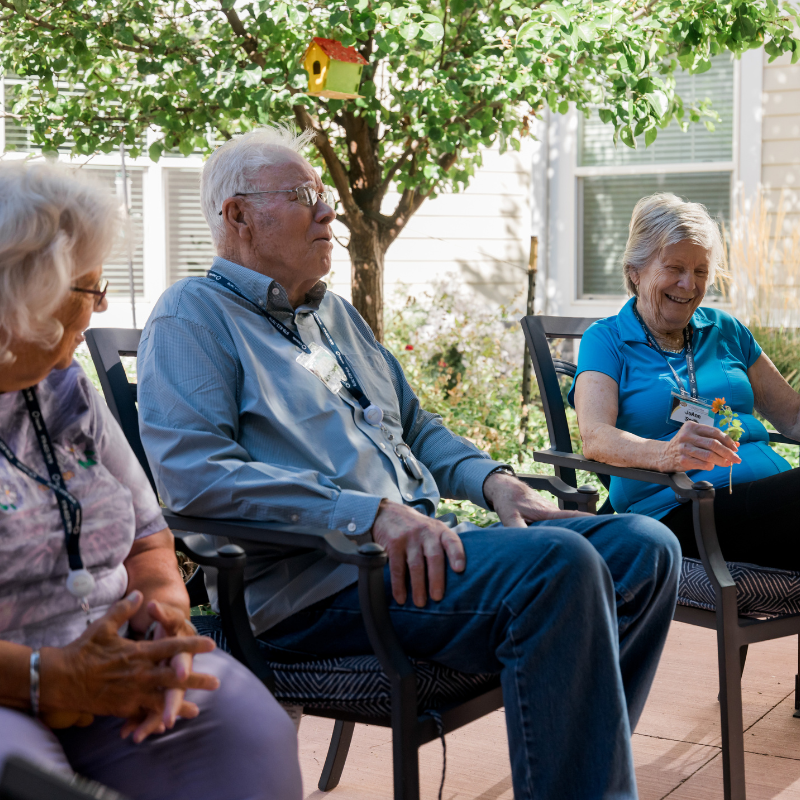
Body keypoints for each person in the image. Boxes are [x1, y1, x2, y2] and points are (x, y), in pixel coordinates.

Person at [137, 125, 682, 800]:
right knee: (558, 568)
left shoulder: (332, 313)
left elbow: (417, 426)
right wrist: (369, 516)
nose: (328, 211)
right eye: (305, 195)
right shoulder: (193, 316)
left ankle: (578, 779)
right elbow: (197, 478)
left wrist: (495, 482)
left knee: (645, 548)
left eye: (324, 194)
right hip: (324, 586)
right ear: (238, 215)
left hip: (423, 553)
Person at [0, 160, 302, 800]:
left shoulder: (65, 390)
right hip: (13, 678)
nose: (102, 303)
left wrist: (163, 626)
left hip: (113, 654)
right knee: (27, 784)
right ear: (23, 298)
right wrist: (46, 677)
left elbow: (145, 535)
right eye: (87, 287)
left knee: (247, 730)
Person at [571, 192, 800, 568]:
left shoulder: (725, 330)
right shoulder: (607, 339)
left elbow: (792, 416)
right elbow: (595, 437)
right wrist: (664, 454)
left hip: (769, 505)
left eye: (700, 271)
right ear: (635, 271)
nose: (688, 285)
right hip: (681, 511)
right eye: (675, 268)